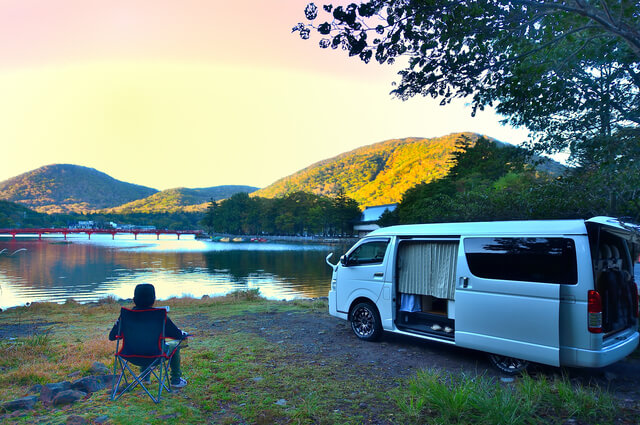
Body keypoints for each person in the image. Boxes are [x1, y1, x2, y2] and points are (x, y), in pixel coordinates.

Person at [109, 283, 188, 388]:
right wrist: (184, 335)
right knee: (175, 344)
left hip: (130, 355)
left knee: (142, 343)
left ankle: (145, 378)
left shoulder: (125, 316)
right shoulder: (159, 315)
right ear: (153, 299)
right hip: (155, 355)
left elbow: (111, 336)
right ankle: (176, 380)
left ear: (134, 299)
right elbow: (178, 335)